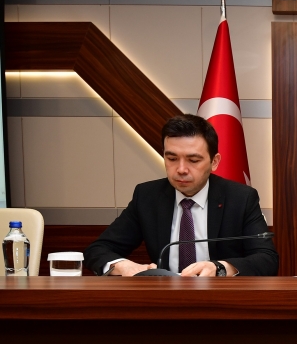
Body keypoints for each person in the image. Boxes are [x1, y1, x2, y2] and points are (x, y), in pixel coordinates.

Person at [84, 114, 278, 277]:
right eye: (172, 158)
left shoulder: (241, 198)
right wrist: (121, 265)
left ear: (214, 162)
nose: (181, 169)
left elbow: (267, 259)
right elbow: (97, 250)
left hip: (222, 301)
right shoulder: (147, 197)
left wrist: (220, 268)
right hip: (165, 302)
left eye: (193, 160)